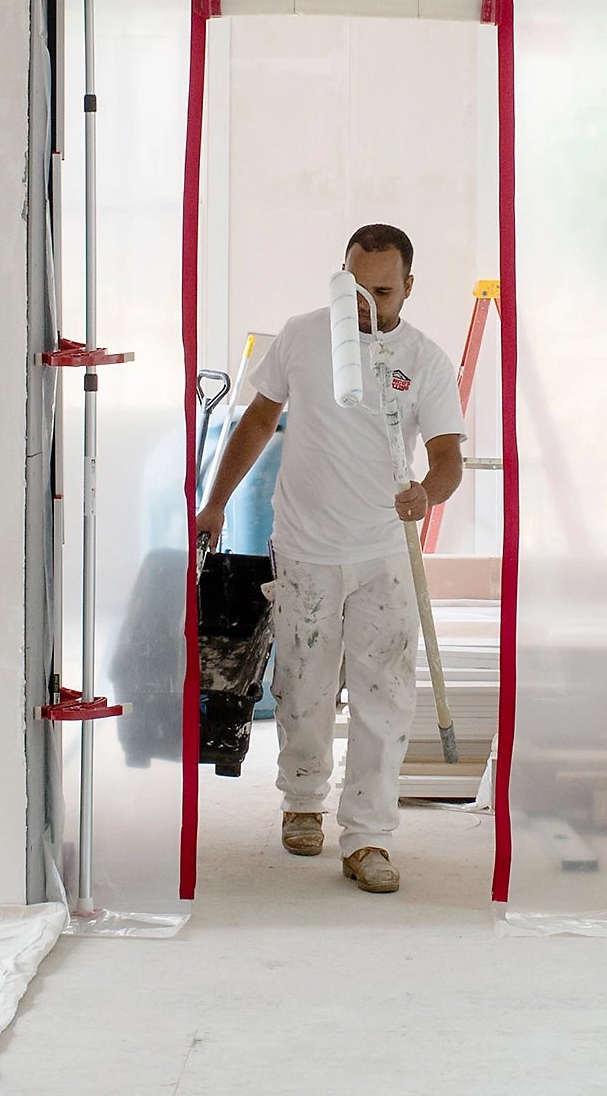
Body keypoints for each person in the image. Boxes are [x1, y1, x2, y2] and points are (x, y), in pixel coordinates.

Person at [197, 223, 465, 893]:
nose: (366, 305)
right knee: (304, 685)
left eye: (382, 291)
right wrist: (216, 501)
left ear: (408, 286)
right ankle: (303, 802)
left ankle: (370, 837)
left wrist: (427, 494)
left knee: (385, 695)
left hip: (382, 551)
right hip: (307, 547)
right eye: (354, 287)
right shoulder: (305, 335)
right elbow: (259, 419)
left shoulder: (425, 360)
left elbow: (447, 456)